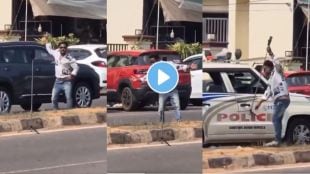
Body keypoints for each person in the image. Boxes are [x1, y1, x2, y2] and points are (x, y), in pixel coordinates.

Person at [255, 47, 290, 147]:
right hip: (279, 100)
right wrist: (259, 102)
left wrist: (271, 53)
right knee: (278, 120)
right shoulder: (270, 80)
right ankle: (281, 139)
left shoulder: (277, 72)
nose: (264, 71)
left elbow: (277, 63)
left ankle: (277, 140)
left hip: (282, 99)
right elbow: (267, 92)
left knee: (275, 119)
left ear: (269, 68)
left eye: (265, 69)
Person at [44, 35, 79, 110]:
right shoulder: (56, 53)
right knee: (53, 98)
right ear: (59, 48)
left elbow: (76, 67)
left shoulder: (69, 58)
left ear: (66, 49)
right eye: (61, 47)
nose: (62, 49)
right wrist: (47, 40)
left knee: (68, 98)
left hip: (67, 81)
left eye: (64, 47)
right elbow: (49, 49)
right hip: (58, 81)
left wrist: (72, 75)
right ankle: (56, 111)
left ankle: (69, 112)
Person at [158, 57, 188, 122]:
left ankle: (178, 120)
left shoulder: (171, 64)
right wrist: (141, 79)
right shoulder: (158, 66)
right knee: (161, 107)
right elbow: (150, 75)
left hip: (173, 89)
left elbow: (181, 66)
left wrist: (189, 67)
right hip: (163, 90)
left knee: (177, 105)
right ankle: (161, 122)